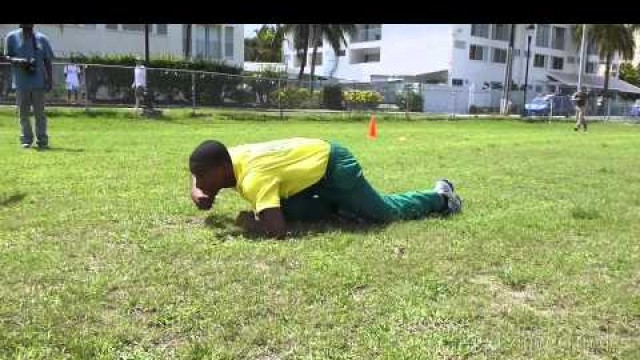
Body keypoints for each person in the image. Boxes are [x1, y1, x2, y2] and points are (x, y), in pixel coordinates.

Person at [189, 138, 463, 239]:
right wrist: (197, 190)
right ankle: (341, 207)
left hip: (335, 166)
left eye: (202, 177)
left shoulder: (252, 179)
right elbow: (203, 166)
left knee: (383, 213)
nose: (199, 182)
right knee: (287, 208)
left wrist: (251, 224)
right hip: (314, 173)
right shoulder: (231, 156)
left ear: (223, 170)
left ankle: (441, 198)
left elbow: (277, 230)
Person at [3, 24, 54, 149]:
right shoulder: (11, 37)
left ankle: (42, 140)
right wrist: (20, 61)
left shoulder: (42, 38)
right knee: (23, 113)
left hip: (38, 82)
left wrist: (50, 80)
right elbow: (6, 56)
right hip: (21, 82)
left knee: (39, 113)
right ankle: (26, 139)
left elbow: (47, 60)